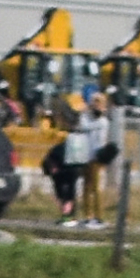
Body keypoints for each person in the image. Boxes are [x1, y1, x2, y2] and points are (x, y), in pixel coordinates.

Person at [74, 92, 114, 229]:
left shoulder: (103, 120)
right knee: (86, 186)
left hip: (97, 156)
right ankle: (87, 215)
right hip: (85, 155)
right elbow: (82, 127)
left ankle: (99, 215)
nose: (96, 105)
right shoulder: (86, 117)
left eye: (99, 102)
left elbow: (98, 132)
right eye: (94, 102)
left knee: (96, 187)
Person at [45, 92, 85, 225]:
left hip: (67, 166)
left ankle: (68, 215)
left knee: (67, 193)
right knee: (67, 193)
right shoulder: (63, 146)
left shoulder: (64, 145)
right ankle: (68, 214)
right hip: (67, 166)